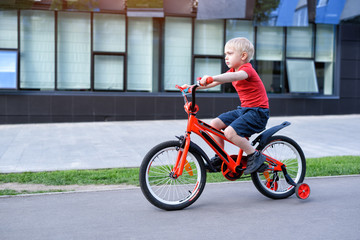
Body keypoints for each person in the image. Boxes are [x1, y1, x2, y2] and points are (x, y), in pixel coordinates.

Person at [182, 37, 269, 175]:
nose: (225, 57)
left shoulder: (246, 70)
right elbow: (213, 83)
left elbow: (233, 77)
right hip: (245, 110)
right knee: (214, 124)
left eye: (229, 53)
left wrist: (213, 77)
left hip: (258, 113)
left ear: (243, 56)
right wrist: (192, 87)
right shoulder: (233, 71)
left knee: (229, 132)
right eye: (225, 54)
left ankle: (254, 155)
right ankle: (221, 157)